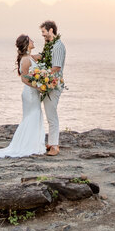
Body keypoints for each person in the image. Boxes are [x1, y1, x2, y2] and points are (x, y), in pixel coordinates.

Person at [40, 20, 65, 156]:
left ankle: (55, 145)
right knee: (49, 113)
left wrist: (42, 76)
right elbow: (43, 58)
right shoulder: (49, 46)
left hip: (54, 85)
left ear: (51, 31)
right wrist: (27, 57)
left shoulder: (58, 46)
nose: (43, 35)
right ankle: (51, 142)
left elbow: (56, 68)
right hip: (48, 84)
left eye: (44, 32)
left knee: (51, 114)